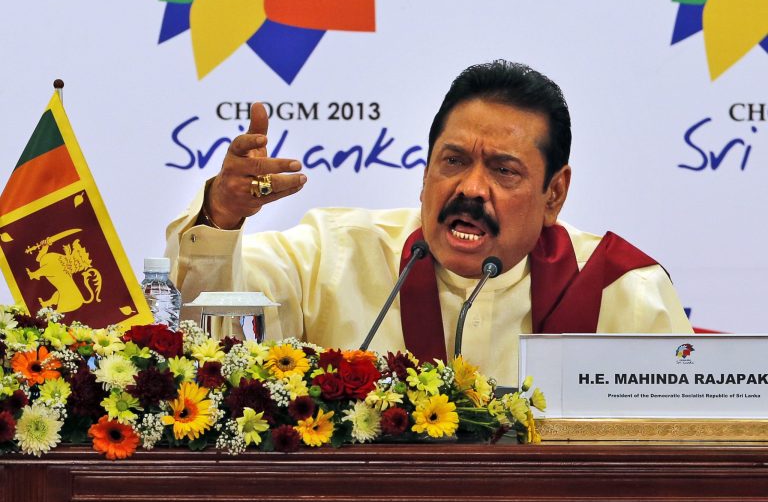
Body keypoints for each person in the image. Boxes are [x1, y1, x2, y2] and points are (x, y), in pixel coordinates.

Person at [166, 60, 692, 387]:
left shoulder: (623, 291)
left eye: (504, 171)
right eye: (454, 160)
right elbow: (202, 331)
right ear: (425, 172)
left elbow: (693, 453)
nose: (470, 189)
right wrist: (223, 215)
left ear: (554, 193)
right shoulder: (332, 255)